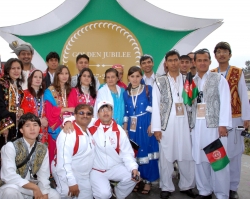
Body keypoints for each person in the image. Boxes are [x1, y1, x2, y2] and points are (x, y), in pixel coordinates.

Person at [63, 100, 139, 199]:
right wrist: (67, 121)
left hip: (115, 167)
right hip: (96, 170)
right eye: (102, 110)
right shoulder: (91, 124)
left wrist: (133, 167)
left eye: (108, 110)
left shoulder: (119, 130)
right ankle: (105, 190)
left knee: (133, 176)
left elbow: (127, 153)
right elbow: (78, 117)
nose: (105, 113)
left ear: (112, 112)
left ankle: (118, 194)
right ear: (97, 114)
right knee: (104, 195)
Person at [151, 50, 197, 199]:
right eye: (170, 60)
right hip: (167, 124)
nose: (174, 63)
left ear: (179, 61)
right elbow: (156, 105)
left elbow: (194, 102)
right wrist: (157, 128)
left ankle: (187, 185)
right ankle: (166, 186)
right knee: (166, 155)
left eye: (176, 60)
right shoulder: (159, 81)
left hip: (185, 122)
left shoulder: (188, 79)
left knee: (186, 154)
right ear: (166, 63)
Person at [190, 48, 232, 199]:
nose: (202, 63)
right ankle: (204, 191)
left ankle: (221, 194)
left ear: (209, 61)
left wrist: (223, 125)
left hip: (214, 127)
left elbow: (226, 102)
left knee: (217, 160)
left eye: (205, 60)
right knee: (199, 159)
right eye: (199, 60)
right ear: (194, 62)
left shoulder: (218, 79)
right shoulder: (192, 81)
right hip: (197, 127)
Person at [211, 42, 250, 199]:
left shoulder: (237, 72)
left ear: (230, 54)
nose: (221, 54)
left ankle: (232, 186)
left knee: (234, 153)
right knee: (218, 152)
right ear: (215, 55)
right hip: (216, 120)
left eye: (224, 51)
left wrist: (246, 118)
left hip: (235, 119)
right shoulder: (212, 73)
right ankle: (219, 185)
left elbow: (242, 94)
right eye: (218, 52)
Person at [0, 113, 60, 199]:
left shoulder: (43, 149)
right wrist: (34, 187)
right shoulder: (10, 147)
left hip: (31, 187)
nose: (32, 129)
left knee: (54, 195)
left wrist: (45, 192)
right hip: (12, 185)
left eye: (35, 125)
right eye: (27, 126)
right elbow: (9, 176)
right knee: (10, 192)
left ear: (39, 128)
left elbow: (43, 175)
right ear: (21, 130)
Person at [123, 66, 159, 194]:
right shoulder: (125, 93)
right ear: (128, 77)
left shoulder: (148, 89)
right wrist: (125, 130)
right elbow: (126, 113)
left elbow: (154, 108)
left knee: (147, 152)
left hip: (145, 124)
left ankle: (148, 182)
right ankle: (138, 180)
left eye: (138, 76)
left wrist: (152, 125)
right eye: (132, 76)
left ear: (141, 77)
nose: (135, 79)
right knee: (135, 153)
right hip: (132, 128)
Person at [51, 104, 95, 199]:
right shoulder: (69, 133)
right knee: (67, 193)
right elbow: (63, 162)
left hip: (83, 175)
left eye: (88, 113)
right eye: (81, 113)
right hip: (65, 172)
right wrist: (71, 182)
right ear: (75, 115)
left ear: (92, 116)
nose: (85, 116)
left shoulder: (88, 129)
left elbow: (104, 120)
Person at [0, 58, 25, 185]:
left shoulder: (18, 86)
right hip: (6, 126)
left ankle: (14, 185)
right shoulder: (1, 83)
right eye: (13, 68)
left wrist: (20, 112)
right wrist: (8, 120)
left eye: (18, 68)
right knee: (3, 158)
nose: (16, 71)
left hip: (16, 126)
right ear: (7, 70)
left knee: (14, 157)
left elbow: (17, 105)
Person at [44, 65, 75, 165]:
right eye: (61, 73)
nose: (64, 76)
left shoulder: (72, 91)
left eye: (66, 73)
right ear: (57, 75)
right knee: (55, 153)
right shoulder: (49, 91)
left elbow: (75, 108)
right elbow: (49, 111)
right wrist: (65, 109)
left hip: (70, 125)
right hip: (56, 125)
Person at [20, 69, 48, 144]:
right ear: (30, 79)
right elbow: (24, 111)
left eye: (40, 77)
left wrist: (46, 121)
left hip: (44, 128)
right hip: (30, 128)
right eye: (35, 77)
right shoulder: (24, 93)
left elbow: (49, 109)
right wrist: (39, 120)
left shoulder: (45, 94)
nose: (38, 79)